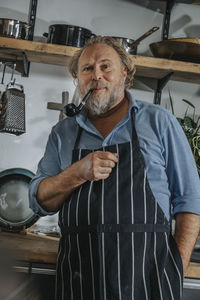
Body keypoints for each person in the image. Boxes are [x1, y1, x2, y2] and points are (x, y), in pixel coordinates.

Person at [29, 36, 200, 300]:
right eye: (86, 69)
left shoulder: (159, 122)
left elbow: (190, 200)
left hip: (148, 281)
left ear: (125, 73)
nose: (96, 75)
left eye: (105, 66)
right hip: (79, 280)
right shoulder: (62, 133)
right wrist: (78, 172)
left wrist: (175, 269)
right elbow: (40, 200)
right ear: (78, 79)